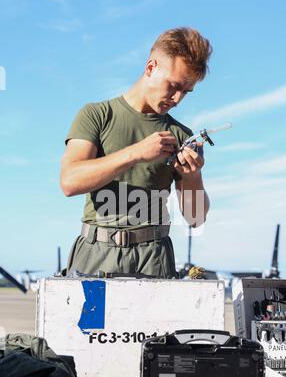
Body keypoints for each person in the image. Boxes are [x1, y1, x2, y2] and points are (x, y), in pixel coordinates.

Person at [60, 27, 212, 279]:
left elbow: (195, 219)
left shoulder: (182, 136)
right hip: (95, 252)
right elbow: (69, 182)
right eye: (173, 86)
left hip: (154, 259)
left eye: (186, 91)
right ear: (150, 68)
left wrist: (193, 177)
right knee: (90, 320)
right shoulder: (96, 115)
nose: (177, 98)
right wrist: (136, 153)